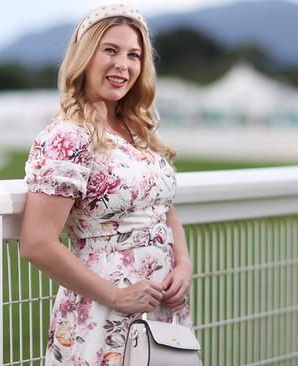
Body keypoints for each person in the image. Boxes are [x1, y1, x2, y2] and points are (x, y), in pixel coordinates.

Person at [19, 4, 194, 365]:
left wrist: (183, 265)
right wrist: (116, 296)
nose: (123, 66)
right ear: (84, 56)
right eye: (110, 50)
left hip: (161, 311)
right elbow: (36, 243)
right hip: (103, 312)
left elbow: (164, 211)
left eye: (134, 55)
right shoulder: (67, 137)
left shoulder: (138, 131)